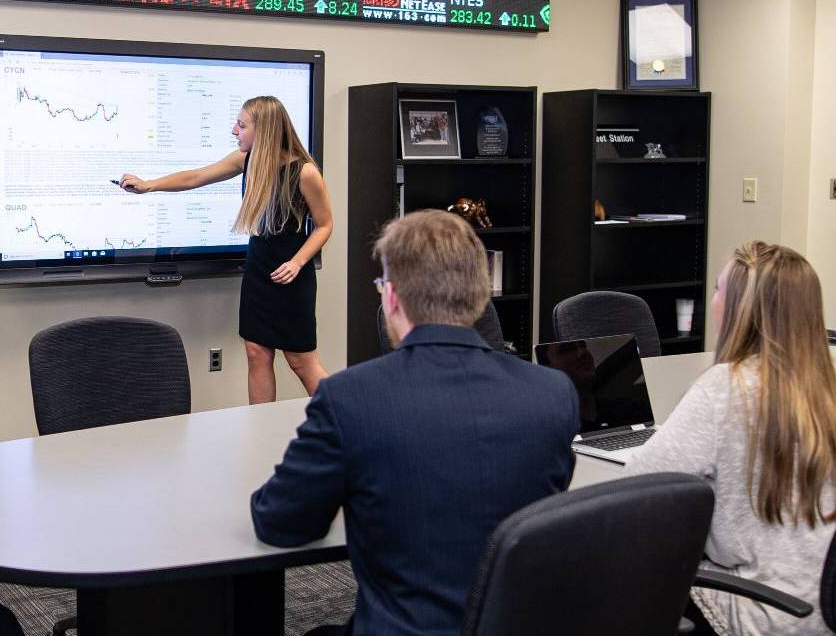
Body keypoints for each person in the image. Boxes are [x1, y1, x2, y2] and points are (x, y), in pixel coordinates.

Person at [248, 210, 578, 636]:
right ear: (481, 297)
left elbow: (282, 523)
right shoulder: (553, 394)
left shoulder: (350, 399)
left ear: (391, 298)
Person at [628, 241, 836, 636]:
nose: (714, 299)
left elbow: (640, 481)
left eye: (720, 289)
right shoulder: (831, 382)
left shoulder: (725, 387)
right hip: (830, 606)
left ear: (743, 308)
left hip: (759, 609)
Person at [119, 96, 333, 403]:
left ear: (266, 130)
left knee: (300, 360)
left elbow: (325, 225)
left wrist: (298, 262)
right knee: (257, 352)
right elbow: (195, 177)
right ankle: (260, 429)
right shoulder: (246, 160)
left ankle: (346, 424)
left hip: (291, 276)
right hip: (259, 270)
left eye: (242, 125)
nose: (235, 130)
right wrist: (149, 185)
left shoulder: (304, 172)